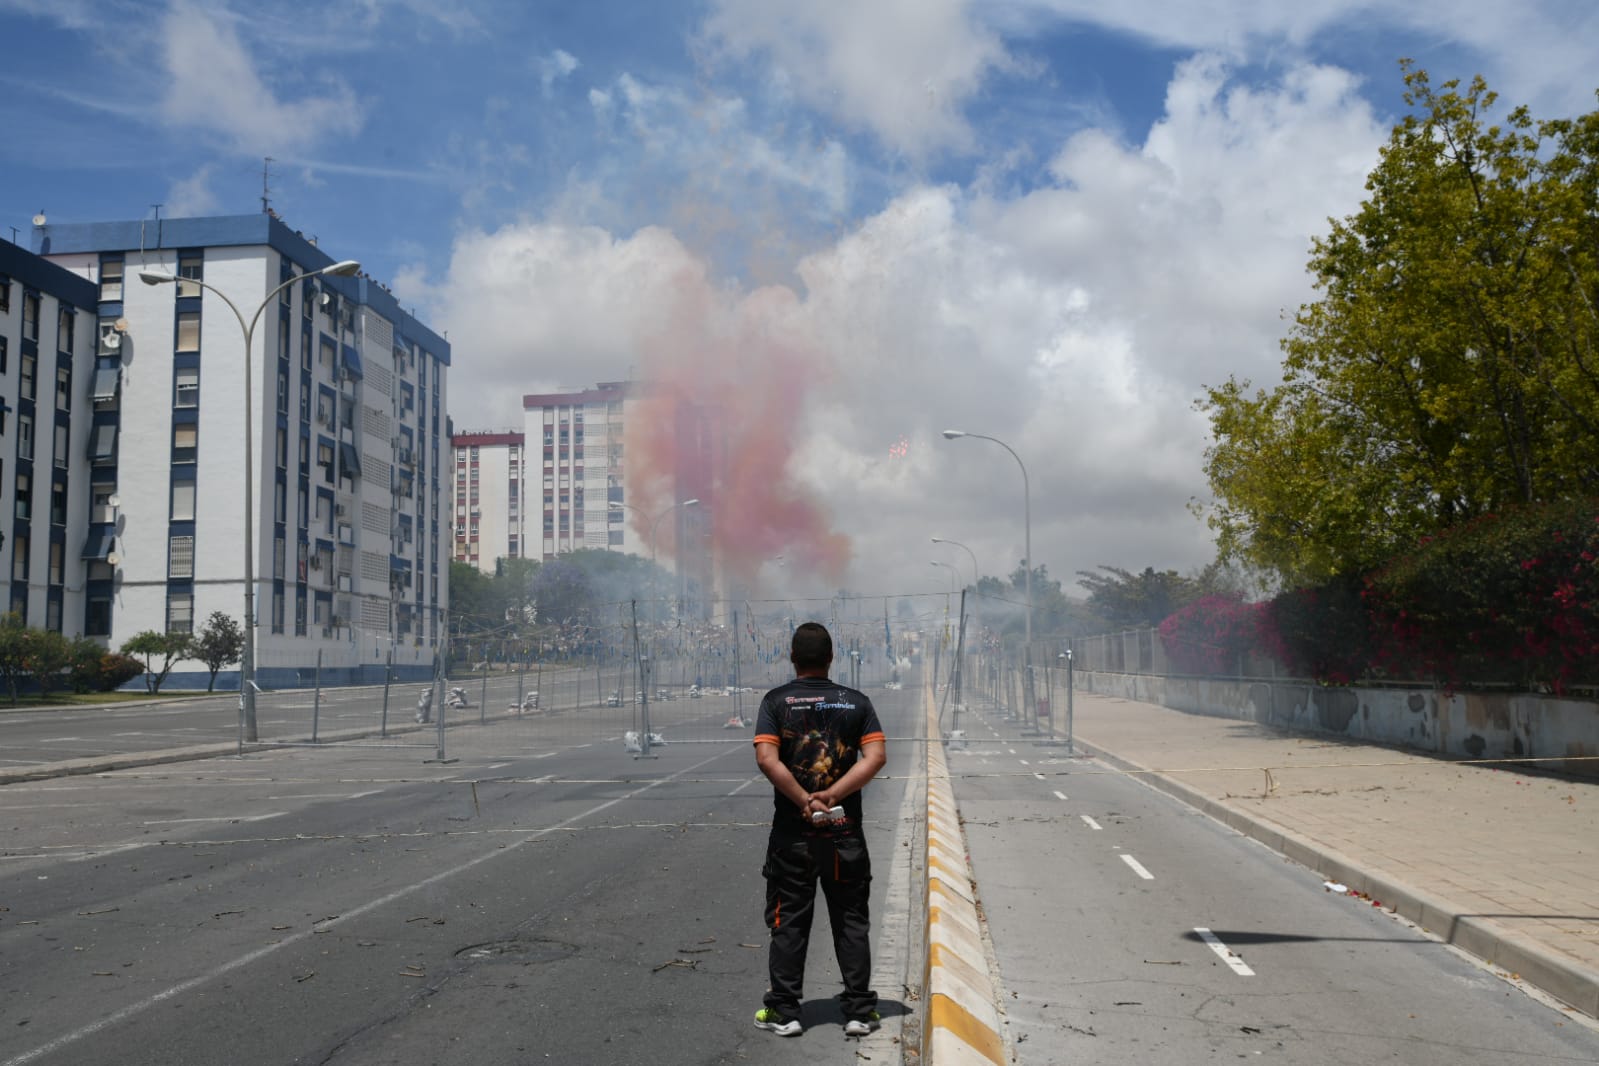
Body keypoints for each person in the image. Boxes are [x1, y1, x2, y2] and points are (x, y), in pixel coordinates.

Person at [752, 621, 887, 1038]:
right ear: (831, 658)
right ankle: (860, 1011)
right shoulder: (856, 702)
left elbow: (766, 759)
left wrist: (805, 799)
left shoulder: (776, 702)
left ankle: (785, 1012)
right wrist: (833, 796)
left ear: (792, 658)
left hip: (793, 836)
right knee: (850, 919)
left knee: (789, 919)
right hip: (844, 836)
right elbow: (876, 757)